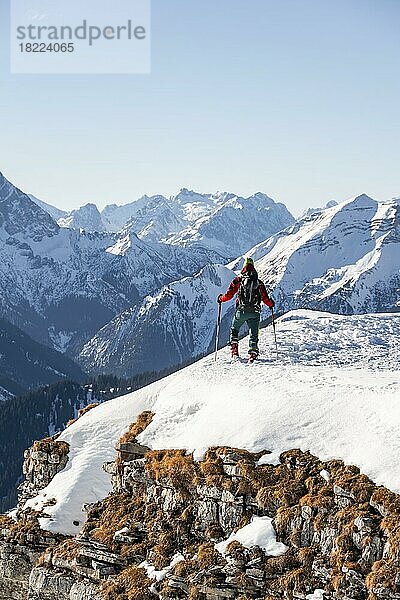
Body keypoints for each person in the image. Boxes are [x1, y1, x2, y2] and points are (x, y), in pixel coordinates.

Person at [217, 257, 275, 359]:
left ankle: (234, 350)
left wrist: (221, 299)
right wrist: (271, 305)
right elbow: (266, 299)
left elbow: (229, 295)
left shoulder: (238, 281)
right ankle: (253, 352)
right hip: (255, 312)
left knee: (235, 328)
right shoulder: (259, 283)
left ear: (244, 267)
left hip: (241, 311)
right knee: (254, 332)